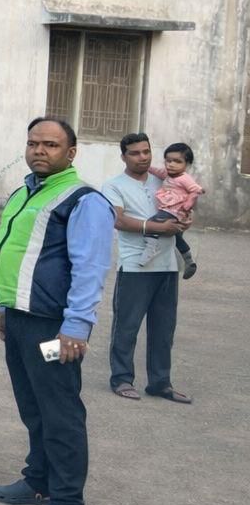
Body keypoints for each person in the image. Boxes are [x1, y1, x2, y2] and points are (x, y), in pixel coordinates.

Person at [0, 117, 113, 505]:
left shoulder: (83, 201)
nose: (39, 150)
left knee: (60, 411)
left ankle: (68, 504)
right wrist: (5, 309)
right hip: (20, 320)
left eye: (51, 145)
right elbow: (17, 256)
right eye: (33, 143)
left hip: (56, 328)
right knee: (32, 404)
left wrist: (76, 326)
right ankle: (38, 480)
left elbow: (90, 268)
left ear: (71, 153)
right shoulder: (26, 191)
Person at [103, 133, 192, 404]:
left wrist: (184, 221)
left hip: (167, 265)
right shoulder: (113, 185)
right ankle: (121, 379)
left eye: (146, 151)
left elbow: (180, 207)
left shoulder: (164, 181)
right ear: (123, 157)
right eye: (134, 153)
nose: (142, 157)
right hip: (135, 267)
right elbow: (118, 220)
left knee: (164, 330)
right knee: (127, 327)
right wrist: (156, 227)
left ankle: (160, 383)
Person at [140, 142, 201, 277]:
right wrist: (146, 167)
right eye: (168, 161)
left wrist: (188, 204)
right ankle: (189, 260)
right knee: (177, 237)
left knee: (151, 224)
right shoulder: (167, 174)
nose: (171, 164)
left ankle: (151, 248)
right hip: (171, 210)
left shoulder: (184, 178)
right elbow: (157, 171)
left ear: (187, 164)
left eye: (177, 161)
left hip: (174, 210)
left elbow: (196, 190)